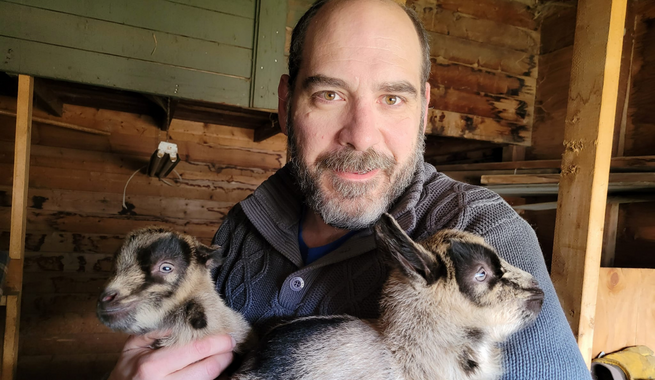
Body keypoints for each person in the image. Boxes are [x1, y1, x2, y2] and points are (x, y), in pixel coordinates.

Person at [107, 0, 592, 379]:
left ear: (423, 107)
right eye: (330, 94)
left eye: (392, 97)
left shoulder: (485, 232)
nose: (360, 134)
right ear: (286, 102)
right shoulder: (241, 227)